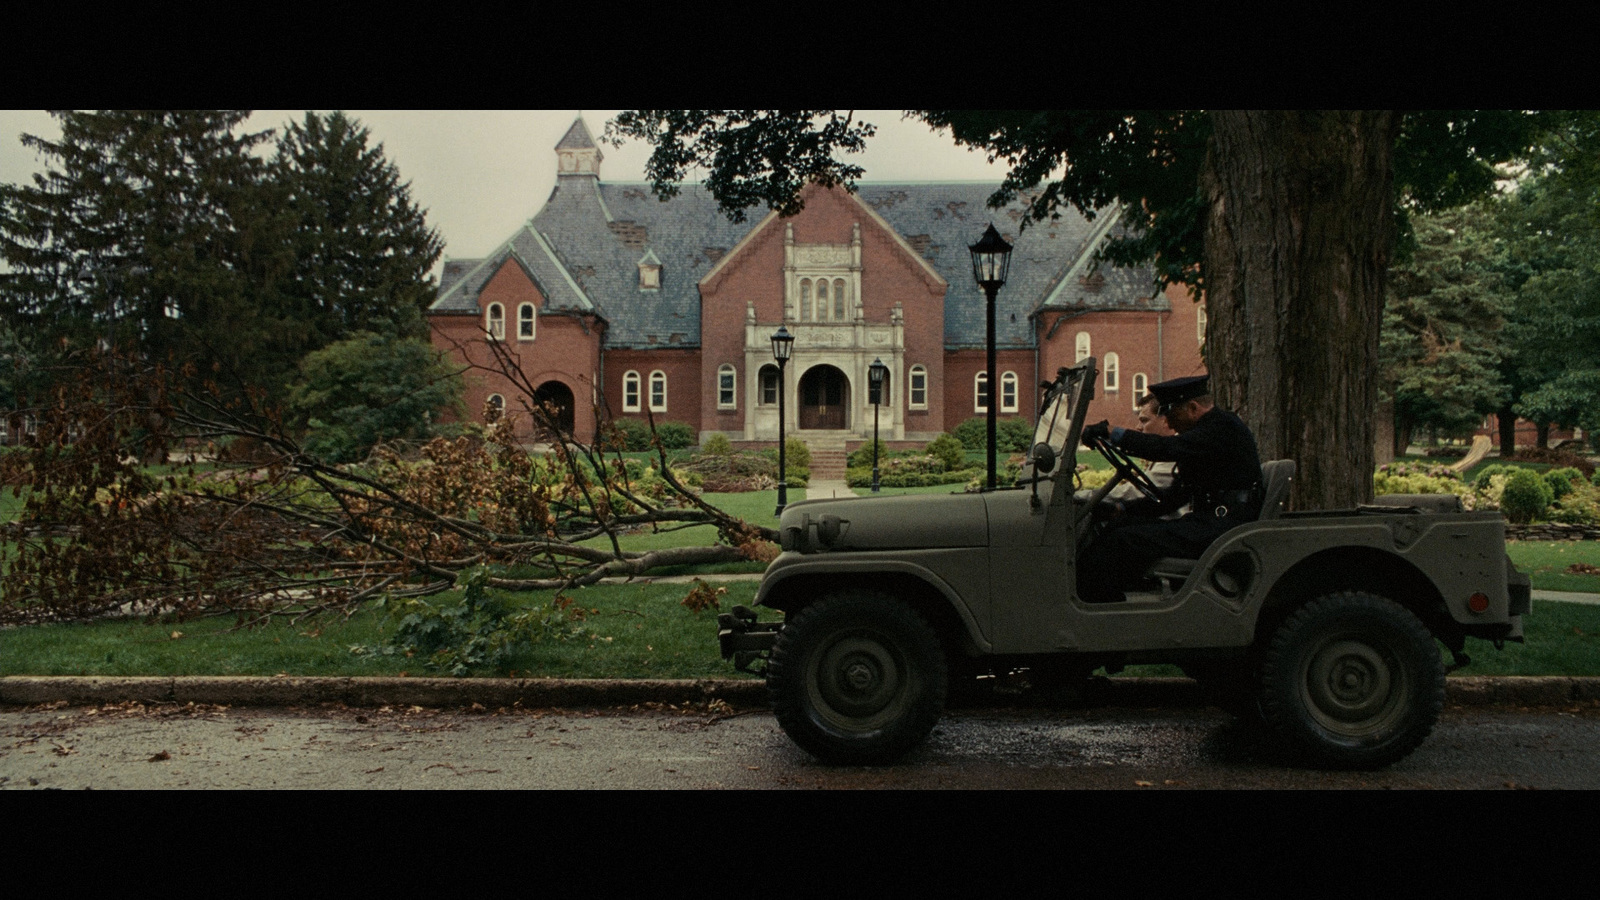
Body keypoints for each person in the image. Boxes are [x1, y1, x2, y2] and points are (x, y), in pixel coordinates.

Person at [1076, 375, 1262, 604]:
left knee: (1123, 542)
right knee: (1117, 527)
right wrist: (1122, 509)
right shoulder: (1203, 438)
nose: (1169, 424)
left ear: (1192, 408)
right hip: (1209, 521)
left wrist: (1113, 433)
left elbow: (1164, 448)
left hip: (1222, 526)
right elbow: (1174, 497)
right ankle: (1101, 602)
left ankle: (1099, 610)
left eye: (1171, 415)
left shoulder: (1221, 427)